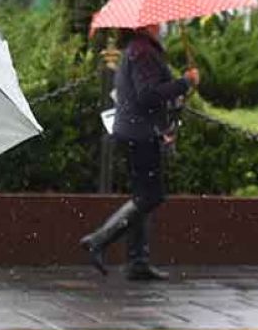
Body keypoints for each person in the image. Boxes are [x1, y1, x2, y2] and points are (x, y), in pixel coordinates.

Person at [79, 24, 199, 281]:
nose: (161, 25)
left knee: (142, 196)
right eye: (157, 22)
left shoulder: (139, 49)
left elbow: (151, 92)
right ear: (145, 24)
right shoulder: (143, 51)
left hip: (137, 132)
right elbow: (147, 96)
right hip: (140, 134)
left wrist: (179, 89)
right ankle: (99, 239)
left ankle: (138, 262)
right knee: (150, 196)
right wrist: (184, 82)